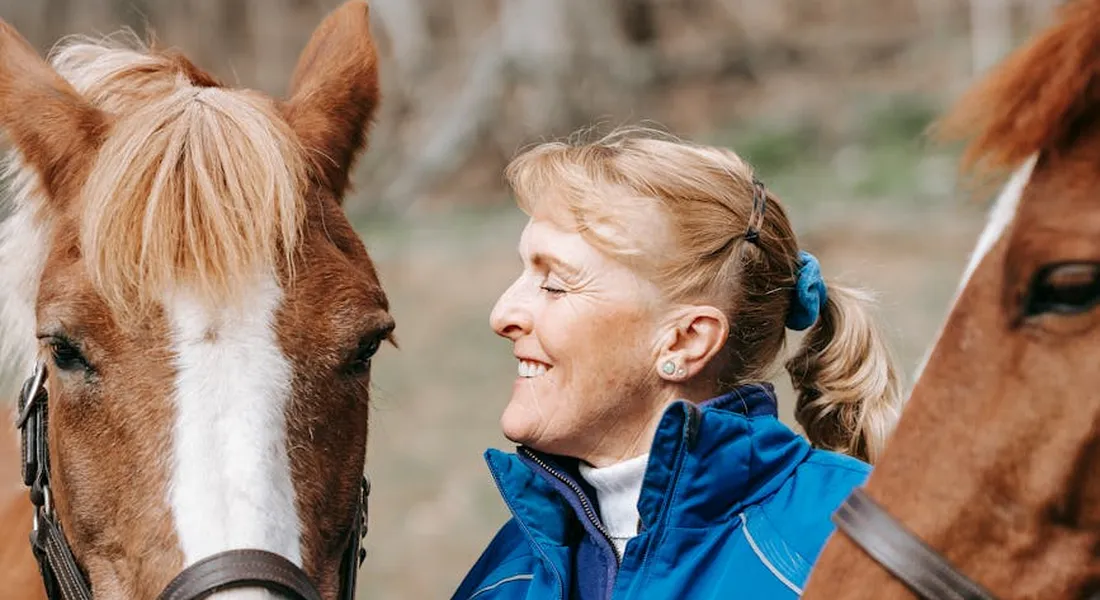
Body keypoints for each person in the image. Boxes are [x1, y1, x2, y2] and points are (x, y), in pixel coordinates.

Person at [451, 128, 903, 599]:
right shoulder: (506, 574)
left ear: (685, 342)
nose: (502, 314)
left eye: (555, 284)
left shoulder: (857, 550)